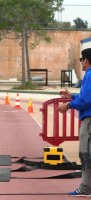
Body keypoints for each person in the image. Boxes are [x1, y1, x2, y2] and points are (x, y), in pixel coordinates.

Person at [58, 48, 91, 197]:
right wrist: (72, 97)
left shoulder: (89, 76)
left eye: (81, 59)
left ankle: (86, 187)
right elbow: (85, 96)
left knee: (86, 154)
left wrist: (68, 106)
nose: (81, 63)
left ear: (86, 60)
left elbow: (86, 100)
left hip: (89, 121)